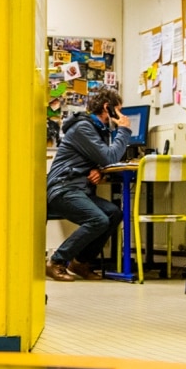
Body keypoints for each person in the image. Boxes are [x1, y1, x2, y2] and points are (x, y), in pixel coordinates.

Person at [45, 89, 132, 281]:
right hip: (63, 187)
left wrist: (98, 169)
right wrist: (124, 130)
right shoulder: (83, 128)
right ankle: (57, 261)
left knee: (113, 213)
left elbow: (101, 158)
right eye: (118, 111)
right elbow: (109, 156)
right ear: (107, 109)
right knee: (98, 220)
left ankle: (81, 263)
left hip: (78, 188)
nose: (121, 116)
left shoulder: (97, 130)